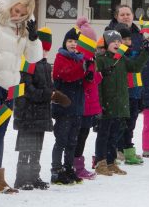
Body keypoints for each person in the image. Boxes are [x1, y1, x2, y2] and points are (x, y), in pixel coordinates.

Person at [0, 0, 43, 194]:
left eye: (23, 14)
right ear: (11, 6)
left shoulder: (23, 27)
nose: (18, 15)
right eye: (16, 11)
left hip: (11, 84)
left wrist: (33, 39)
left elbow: (33, 59)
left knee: (2, 131)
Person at [95, 28, 149, 175]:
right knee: (103, 135)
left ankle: (111, 162)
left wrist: (145, 52)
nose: (117, 44)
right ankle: (100, 162)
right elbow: (97, 84)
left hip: (119, 104)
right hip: (106, 104)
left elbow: (136, 67)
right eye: (113, 41)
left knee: (114, 135)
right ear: (106, 43)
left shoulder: (121, 59)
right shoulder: (100, 59)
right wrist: (99, 104)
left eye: (119, 41)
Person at [15, 28, 64, 188]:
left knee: (37, 147)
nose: (43, 52)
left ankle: (34, 176)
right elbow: (27, 88)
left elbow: (48, 86)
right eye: (41, 48)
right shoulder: (27, 63)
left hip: (41, 113)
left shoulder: (45, 65)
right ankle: (22, 178)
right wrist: (47, 95)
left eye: (46, 50)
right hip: (27, 112)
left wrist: (54, 94)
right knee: (26, 147)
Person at [52, 24, 89, 181]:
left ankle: (68, 168)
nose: (73, 44)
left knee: (72, 141)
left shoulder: (81, 59)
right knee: (61, 140)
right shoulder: (61, 57)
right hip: (64, 106)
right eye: (70, 41)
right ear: (65, 43)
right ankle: (56, 169)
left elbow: (84, 84)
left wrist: (89, 75)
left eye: (76, 42)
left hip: (77, 106)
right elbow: (65, 74)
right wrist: (82, 69)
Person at [71, 18, 100, 180]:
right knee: (78, 135)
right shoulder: (80, 59)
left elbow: (94, 82)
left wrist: (98, 75)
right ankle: (74, 165)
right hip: (81, 104)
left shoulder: (91, 60)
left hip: (89, 105)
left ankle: (78, 165)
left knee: (84, 134)